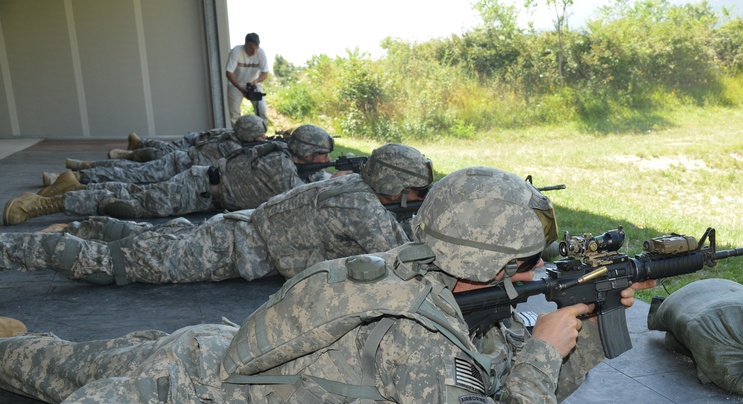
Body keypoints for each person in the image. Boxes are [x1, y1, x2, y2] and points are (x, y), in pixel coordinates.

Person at [0, 166, 657, 404]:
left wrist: (588, 325)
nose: (545, 266)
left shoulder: (423, 276)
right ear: (494, 266)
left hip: (204, 348)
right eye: (532, 260)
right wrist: (545, 351)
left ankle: (12, 347)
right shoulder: (418, 334)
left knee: (58, 363)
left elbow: (503, 380)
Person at [0, 143, 432, 285]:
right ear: (394, 184)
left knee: (143, 237)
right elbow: (404, 263)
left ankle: (77, 222)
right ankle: (23, 248)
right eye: (413, 190)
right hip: (230, 250)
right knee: (116, 264)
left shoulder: (343, 185)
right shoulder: (361, 206)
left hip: (231, 229)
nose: (413, 197)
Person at [2, 124, 333, 225]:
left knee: (134, 188)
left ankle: (71, 185)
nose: (326, 160)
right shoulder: (280, 164)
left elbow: (316, 180)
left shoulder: (293, 162)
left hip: (205, 193)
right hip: (197, 187)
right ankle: (42, 204)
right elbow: (299, 195)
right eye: (322, 155)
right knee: (132, 204)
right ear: (304, 152)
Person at [39, 115, 267, 189]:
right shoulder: (236, 147)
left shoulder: (229, 135)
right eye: (259, 135)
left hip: (179, 162)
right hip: (176, 166)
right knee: (128, 174)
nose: (263, 139)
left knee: (130, 170)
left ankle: (82, 167)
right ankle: (74, 176)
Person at [225, 32, 269, 126]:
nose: (254, 52)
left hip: (253, 83)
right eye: (251, 48)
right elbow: (229, 72)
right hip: (236, 84)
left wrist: (257, 81)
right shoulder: (236, 51)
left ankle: (261, 133)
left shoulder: (261, 53)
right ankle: (238, 135)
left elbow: (265, 73)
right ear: (245, 44)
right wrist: (240, 88)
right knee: (234, 113)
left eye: (256, 49)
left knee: (262, 109)